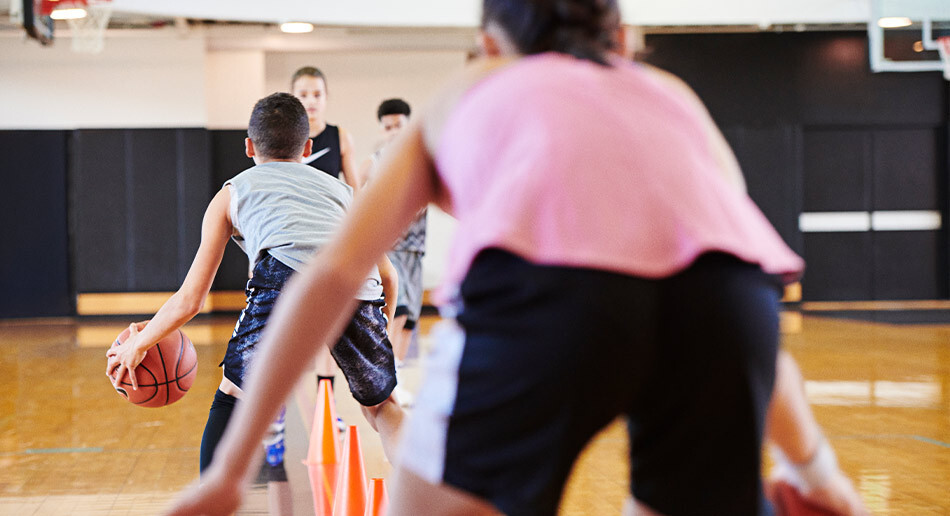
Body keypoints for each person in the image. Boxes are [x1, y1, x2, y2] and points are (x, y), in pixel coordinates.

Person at [165, 2, 863, 515]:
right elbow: (718, 282)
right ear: (618, 37)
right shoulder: (673, 98)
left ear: (488, 43)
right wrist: (816, 466)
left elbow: (335, 272)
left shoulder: (469, 93)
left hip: (550, 301)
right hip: (729, 308)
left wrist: (230, 469)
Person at [107, 93, 404, 512]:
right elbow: (388, 277)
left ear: (248, 146)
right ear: (307, 149)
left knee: (234, 393)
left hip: (285, 278)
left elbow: (191, 299)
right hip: (358, 285)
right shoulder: (341, 190)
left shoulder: (233, 192)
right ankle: (429, 492)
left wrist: (139, 343)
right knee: (381, 407)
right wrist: (379, 327)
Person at [290, 66, 364, 417]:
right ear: (293, 97)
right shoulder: (284, 138)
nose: (311, 101)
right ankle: (269, 407)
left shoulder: (340, 137)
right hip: (288, 243)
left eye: (317, 94)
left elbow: (356, 193)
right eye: (303, 94)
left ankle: (326, 404)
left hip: (329, 242)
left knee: (329, 325)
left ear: (326, 98)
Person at [360, 98, 426, 407]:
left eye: (398, 126)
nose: (393, 132)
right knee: (396, 312)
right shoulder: (375, 162)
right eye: (388, 128)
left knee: (411, 317)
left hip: (416, 247)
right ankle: (388, 379)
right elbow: (355, 195)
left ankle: (395, 375)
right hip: (389, 249)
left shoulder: (420, 158)